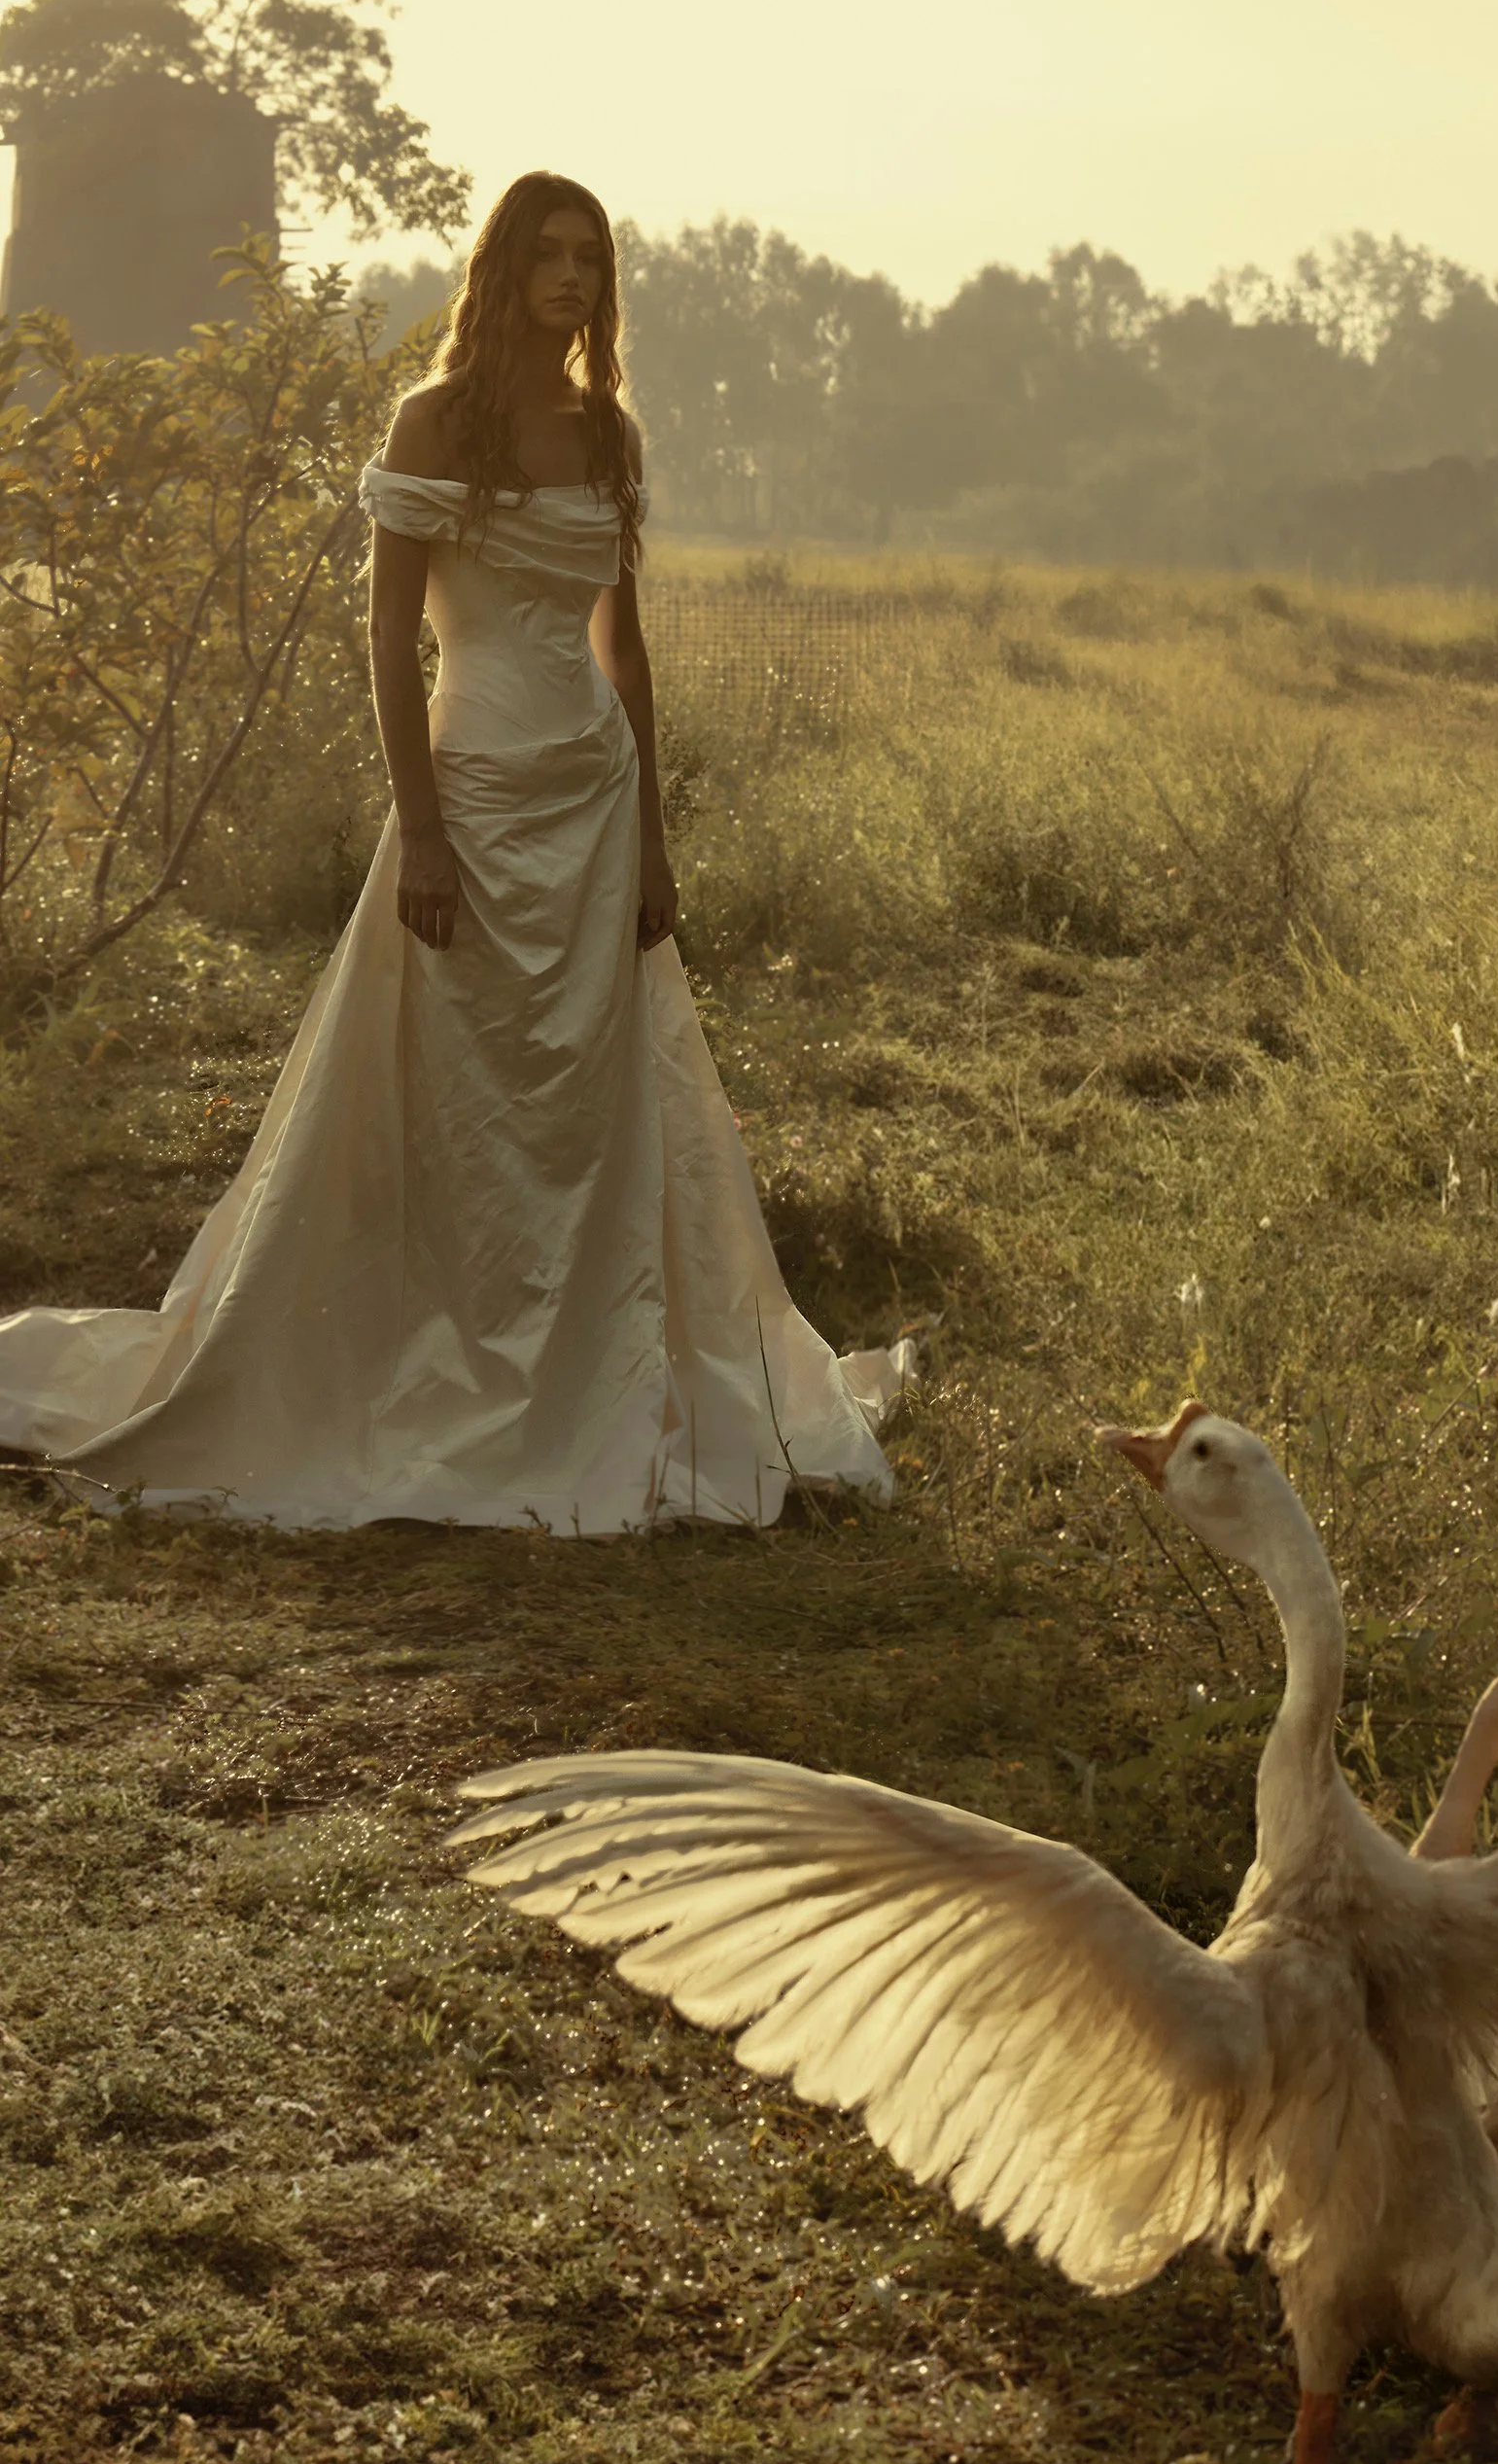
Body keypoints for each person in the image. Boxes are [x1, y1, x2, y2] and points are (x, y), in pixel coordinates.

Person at [0, 172, 903, 1529]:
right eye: (545, 254)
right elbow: (388, 641)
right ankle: (424, 1358)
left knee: (589, 1106)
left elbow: (626, 648)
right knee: (443, 1095)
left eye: (589, 258)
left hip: (594, 799)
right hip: (470, 799)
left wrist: (652, 838)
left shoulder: (611, 434)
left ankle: (591, 1364)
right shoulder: (435, 421)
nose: (571, 277)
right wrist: (419, 826)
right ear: (499, 272)